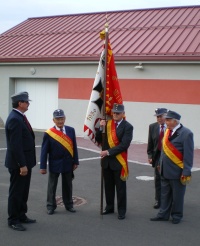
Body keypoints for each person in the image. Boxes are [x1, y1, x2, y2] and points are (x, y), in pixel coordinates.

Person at [150, 110, 194, 224]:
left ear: (175, 121)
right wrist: (160, 163)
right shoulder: (167, 131)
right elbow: (164, 151)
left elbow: (188, 155)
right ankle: (163, 214)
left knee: (177, 196)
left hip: (177, 171)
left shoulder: (186, 133)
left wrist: (186, 171)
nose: (166, 121)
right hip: (164, 170)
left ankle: (177, 215)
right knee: (165, 195)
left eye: (168, 120)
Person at [95, 103, 133, 220]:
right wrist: (100, 128)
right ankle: (109, 207)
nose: (115, 114)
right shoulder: (107, 124)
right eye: (114, 112)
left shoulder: (128, 127)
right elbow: (98, 139)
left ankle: (121, 210)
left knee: (120, 188)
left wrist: (108, 152)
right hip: (106, 162)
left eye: (118, 113)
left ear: (123, 114)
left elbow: (124, 145)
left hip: (118, 161)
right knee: (108, 186)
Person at [5, 91, 36, 231]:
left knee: (23, 191)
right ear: (20, 103)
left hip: (26, 163)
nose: (28, 103)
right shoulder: (14, 119)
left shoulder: (20, 117)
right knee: (16, 192)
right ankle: (13, 219)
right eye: (26, 102)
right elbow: (15, 145)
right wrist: (22, 165)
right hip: (19, 164)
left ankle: (21, 214)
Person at [40, 109, 79, 215]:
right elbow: (44, 151)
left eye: (61, 118)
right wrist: (43, 166)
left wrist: (76, 161)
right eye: (57, 119)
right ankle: (50, 206)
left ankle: (69, 204)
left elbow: (74, 147)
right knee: (52, 185)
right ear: (53, 120)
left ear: (65, 118)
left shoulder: (71, 130)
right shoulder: (49, 133)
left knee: (68, 184)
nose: (60, 121)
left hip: (67, 162)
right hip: (54, 163)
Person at [147, 108, 167, 209]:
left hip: (168, 156)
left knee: (168, 178)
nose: (159, 118)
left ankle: (168, 199)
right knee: (158, 179)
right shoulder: (152, 127)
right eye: (157, 117)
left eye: (160, 116)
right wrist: (150, 156)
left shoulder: (170, 127)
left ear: (166, 116)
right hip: (158, 155)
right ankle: (158, 200)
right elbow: (150, 143)